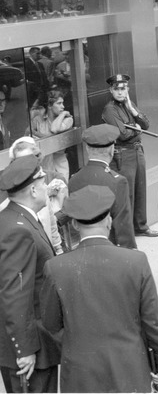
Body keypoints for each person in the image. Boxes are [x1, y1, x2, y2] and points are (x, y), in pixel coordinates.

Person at [40, 186, 158, 392]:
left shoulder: (56, 268)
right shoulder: (136, 261)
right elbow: (153, 322)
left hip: (80, 375)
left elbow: (50, 323)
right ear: (109, 220)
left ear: (74, 224)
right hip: (130, 369)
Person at [0, 155, 60, 393]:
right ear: (33, 190)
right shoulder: (19, 230)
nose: (47, 188)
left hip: (30, 340)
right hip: (30, 348)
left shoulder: (16, 220)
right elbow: (15, 293)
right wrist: (24, 350)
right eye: (44, 183)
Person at [101, 73, 158, 237]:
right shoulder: (110, 109)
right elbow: (122, 134)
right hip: (123, 153)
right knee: (128, 193)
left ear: (127, 89)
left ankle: (140, 226)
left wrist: (133, 111)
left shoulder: (129, 104)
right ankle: (127, 232)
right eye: (116, 89)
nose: (120, 92)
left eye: (123, 88)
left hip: (137, 150)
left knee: (140, 189)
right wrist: (136, 128)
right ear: (111, 90)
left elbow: (146, 124)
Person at [68, 124, 136, 249]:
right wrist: (130, 251)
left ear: (87, 149)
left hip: (83, 248)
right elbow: (123, 224)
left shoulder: (74, 179)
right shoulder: (117, 181)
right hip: (110, 248)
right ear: (111, 150)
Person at [29, 89, 73, 182]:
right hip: (44, 164)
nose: (63, 106)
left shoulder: (67, 119)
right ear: (49, 105)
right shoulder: (38, 119)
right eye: (59, 103)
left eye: (63, 103)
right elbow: (28, 133)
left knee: (61, 190)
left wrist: (63, 114)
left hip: (60, 163)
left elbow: (54, 128)